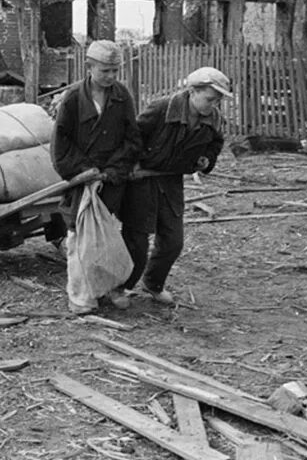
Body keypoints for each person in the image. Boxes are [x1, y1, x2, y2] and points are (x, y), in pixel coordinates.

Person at [119, 66, 231, 304]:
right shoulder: (162, 108)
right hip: (142, 180)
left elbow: (216, 142)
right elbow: (134, 135)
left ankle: (153, 283)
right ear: (192, 91)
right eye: (210, 99)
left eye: (217, 100)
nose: (213, 105)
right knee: (136, 241)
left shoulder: (214, 119)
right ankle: (121, 287)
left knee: (173, 241)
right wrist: (133, 164)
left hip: (171, 181)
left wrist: (206, 160)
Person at [51, 39, 141, 313]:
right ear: (89, 67)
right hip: (82, 180)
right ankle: (81, 296)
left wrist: (113, 171)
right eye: (105, 71)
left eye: (115, 70)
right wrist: (83, 171)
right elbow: (61, 144)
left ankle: (112, 287)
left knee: (109, 236)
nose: (111, 77)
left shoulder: (122, 96)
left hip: (112, 179)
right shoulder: (74, 99)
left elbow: (132, 139)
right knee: (80, 237)